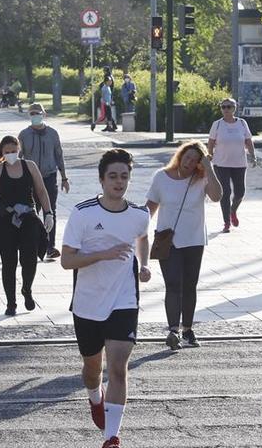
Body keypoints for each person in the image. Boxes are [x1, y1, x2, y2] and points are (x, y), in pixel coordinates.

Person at [60, 149, 151, 448]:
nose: (119, 182)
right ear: (101, 180)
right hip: (87, 303)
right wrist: (103, 255)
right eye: (113, 176)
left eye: (124, 176)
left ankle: (111, 436)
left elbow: (143, 237)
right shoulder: (83, 213)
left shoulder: (139, 214)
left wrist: (145, 263)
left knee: (118, 368)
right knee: (91, 370)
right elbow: (66, 261)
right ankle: (95, 398)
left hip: (124, 301)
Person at [146, 141, 221, 350]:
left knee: (189, 286)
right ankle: (173, 330)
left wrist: (209, 168)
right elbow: (149, 208)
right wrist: (136, 231)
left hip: (194, 240)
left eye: (195, 160)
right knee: (172, 284)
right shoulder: (161, 177)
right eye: (187, 157)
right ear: (180, 155)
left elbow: (217, 196)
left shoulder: (202, 179)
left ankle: (187, 329)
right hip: (167, 241)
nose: (189, 162)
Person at [0, 136, 54, 316]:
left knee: (29, 259)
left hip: (28, 217)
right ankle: (11, 302)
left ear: (19, 149)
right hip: (5, 220)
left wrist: (48, 213)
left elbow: (41, 191)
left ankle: (27, 289)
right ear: (2, 153)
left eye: (14, 150)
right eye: (7, 152)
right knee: (8, 263)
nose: (11, 154)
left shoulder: (30, 166)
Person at [18, 103, 69, 259]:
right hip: (30, 178)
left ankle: (50, 246)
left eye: (38, 113)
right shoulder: (24, 135)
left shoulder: (53, 134)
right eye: (32, 114)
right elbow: (19, 156)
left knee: (50, 211)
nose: (35, 116)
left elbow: (59, 155)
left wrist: (64, 177)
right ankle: (30, 244)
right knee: (30, 213)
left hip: (49, 176)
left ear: (44, 114)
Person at [207, 98, 257, 233]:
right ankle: (226, 222)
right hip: (221, 163)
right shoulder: (217, 125)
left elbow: (248, 140)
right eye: (223, 107)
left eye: (229, 107)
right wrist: (209, 155)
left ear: (234, 108)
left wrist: (252, 155)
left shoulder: (242, 123)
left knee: (240, 192)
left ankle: (232, 210)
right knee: (225, 192)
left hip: (239, 163)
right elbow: (211, 142)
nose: (226, 109)